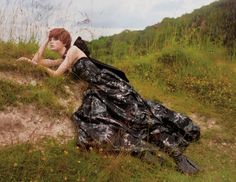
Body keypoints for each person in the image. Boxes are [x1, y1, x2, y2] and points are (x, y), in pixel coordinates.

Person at [17, 28, 201, 174]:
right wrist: (42, 42)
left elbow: (56, 75)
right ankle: (151, 154)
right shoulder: (63, 59)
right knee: (123, 123)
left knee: (143, 118)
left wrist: (35, 59)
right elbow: (38, 62)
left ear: (64, 41)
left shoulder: (73, 50)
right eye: (50, 39)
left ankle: (178, 157)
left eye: (54, 39)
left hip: (113, 87)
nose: (51, 42)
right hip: (101, 93)